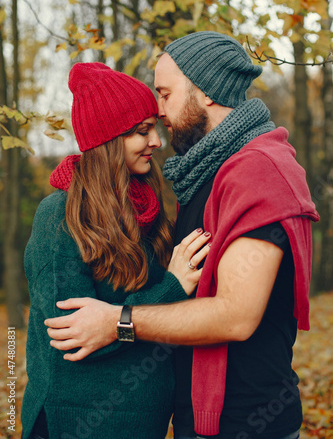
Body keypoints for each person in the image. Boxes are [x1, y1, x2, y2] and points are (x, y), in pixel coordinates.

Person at [45, 32, 320, 439]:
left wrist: (117, 322)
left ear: (205, 92)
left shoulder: (259, 171)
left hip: (246, 422)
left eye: (165, 93)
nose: (158, 110)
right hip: (199, 421)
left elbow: (236, 316)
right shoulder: (207, 171)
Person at [21, 62, 211, 439]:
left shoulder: (149, 207)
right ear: (108, 140)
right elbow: (72, 337)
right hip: (79, 422)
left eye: (154, 127)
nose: (156, 141)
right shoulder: (60, 215)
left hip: (147, 419)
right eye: (142, 132)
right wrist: (172, 288)